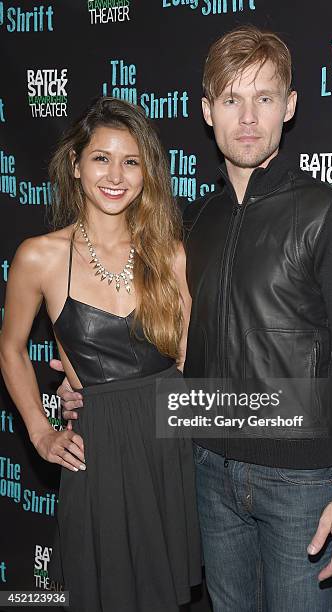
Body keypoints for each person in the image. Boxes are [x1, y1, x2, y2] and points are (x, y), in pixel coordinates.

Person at [55, 27, 332, 612]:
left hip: (303, 484)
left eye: (264, 97)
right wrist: (94, 386)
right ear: (207, 112)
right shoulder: (193, 227)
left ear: (290, 105)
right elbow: (173, 349)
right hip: (208, 476)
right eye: (232, 99)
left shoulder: (325, 213)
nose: (249, 117)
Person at [0, 96, 201, 612]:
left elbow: (188, 360)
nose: (116, 175)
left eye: (131, 161)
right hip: (100, 451)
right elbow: (11, 347)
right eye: (101, 158)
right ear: (75, 165)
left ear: (146, 172)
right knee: (102, 589)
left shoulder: (169, 253)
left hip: (170, 442)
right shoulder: (41, 255)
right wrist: (40, 432)